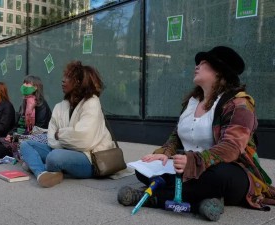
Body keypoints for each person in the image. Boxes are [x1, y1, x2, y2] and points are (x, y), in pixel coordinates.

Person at [117, 46, 275, 221]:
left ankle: (153, 197)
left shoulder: (239, 103)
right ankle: (204, 202)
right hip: (190, 170)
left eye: (204, 63)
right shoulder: (192, 102)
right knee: (143, 169)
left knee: (219, 177)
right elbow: (176, 136)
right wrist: (164, 154)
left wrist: (193, 161)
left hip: (227, 170)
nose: (197, 66)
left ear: (219, 72)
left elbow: (231, 148)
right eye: (198, 63)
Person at [19, 61, 114, 188]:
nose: (63, 81)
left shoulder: (92, 103)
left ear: (79, 82)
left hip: (90, 158)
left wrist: (61, 134)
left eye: (68, 77)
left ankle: (36, 166)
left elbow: (84, 139)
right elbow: (52, 138)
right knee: (25, 144)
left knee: (54, 157)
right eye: (64, 77)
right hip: (63, 151)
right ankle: (42, 173)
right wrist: (67, 137)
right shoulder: (60, 106)